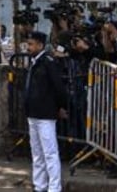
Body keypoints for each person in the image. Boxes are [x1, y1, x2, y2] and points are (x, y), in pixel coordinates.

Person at [24, 30, 68, 192]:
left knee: (49, 152)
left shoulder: (48, 62)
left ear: (40, 45)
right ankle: (40, 185)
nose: (28, 47)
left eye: (31, 44)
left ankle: (54, 187)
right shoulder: (35, 62)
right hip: (33, 113)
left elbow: (59, 88)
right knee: (37, 153)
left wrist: (61, 106)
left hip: (46, 114)